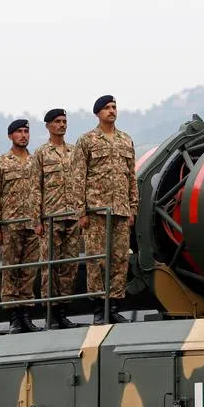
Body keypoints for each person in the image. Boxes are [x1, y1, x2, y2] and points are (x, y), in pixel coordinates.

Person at [68, 94, 137, 324]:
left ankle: (113, 305)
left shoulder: (125, 140)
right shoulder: (87, 141)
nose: (112, 110)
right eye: (107, 107)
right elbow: (78, 178)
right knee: (97, 261)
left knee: (119, 259)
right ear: (98, 113)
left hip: (120, 210)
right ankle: (99, 309)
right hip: (96, 211)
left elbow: (131, 178)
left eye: (114, 107)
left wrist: (132, 209)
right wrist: (81, 212)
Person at [0, 118, 41, 333]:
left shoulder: (36, 161)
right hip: (10, 225)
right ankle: (13, 318)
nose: (23, 135)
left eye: (26, 131)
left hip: (32, 224)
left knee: (29, 271)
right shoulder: (1, 163)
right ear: (11, 136)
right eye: (19, 132)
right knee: (11, 271)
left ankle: (26, 315)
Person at [31, 107, 79, 329]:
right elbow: (35, 188)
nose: (62, 125)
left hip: (72, 216)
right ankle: (50, 312)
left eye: (64, 121)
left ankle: (63, 311)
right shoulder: (41, 153)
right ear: (48, 125)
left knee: (69, 266)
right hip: (50, 217)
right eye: (57, 122)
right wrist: (36, 220)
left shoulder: (74, 151)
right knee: (49, 267)